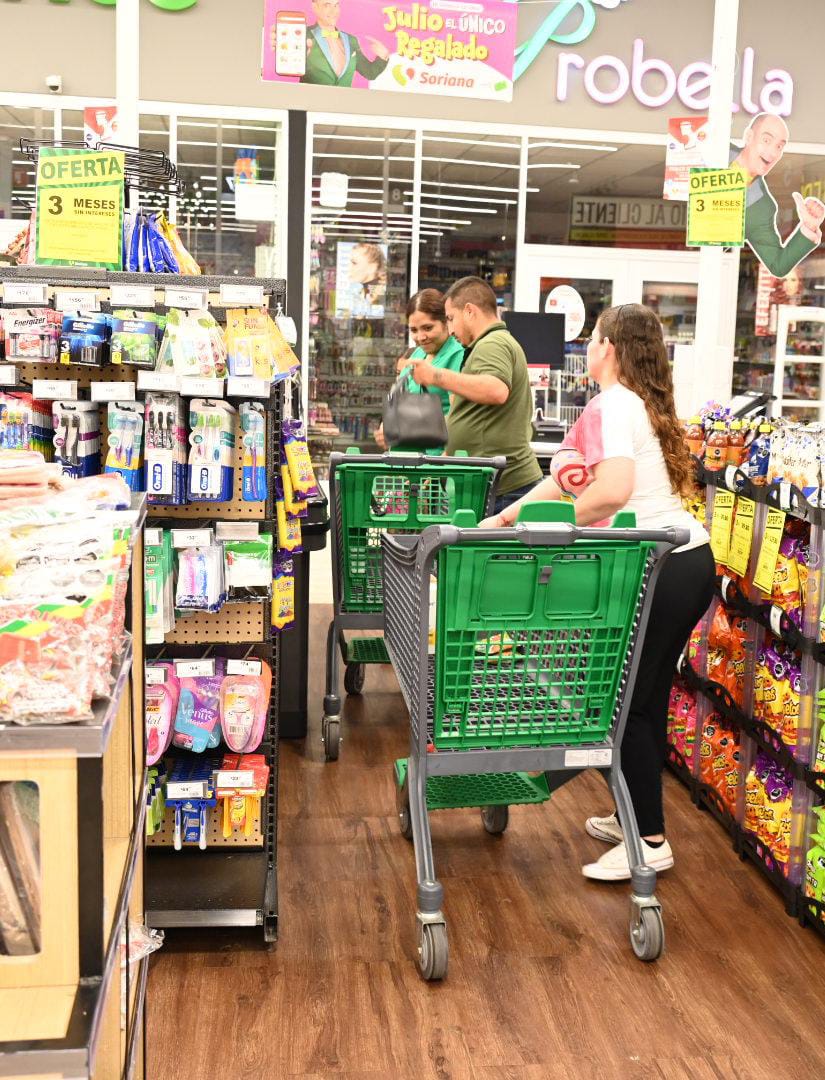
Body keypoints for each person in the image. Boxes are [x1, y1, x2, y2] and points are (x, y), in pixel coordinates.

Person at [481, 303, 715, 882]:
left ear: (608, 346)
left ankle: (649, 842)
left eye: (592, 339)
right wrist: (509, 518)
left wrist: (551, 530)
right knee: (644, 698)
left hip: (663, 567)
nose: (587, 347)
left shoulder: (614, 404)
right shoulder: (630, 404)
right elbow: (561, 482)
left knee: (625, 704)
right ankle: (632, 813)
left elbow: (610, 493)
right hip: (685, 561)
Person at [410, 276, 542, 512]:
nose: (451, 329)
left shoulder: (492, 343)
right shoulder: (488, 345)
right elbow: (476, 416)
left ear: (469, 311)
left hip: (504, 488)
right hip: (495, 486)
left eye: (451, 318)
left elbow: (495, 390)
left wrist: (435, 376)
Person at [732, 112, 825, 279]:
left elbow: (778, 265)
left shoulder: (762, 207)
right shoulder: (713, 152)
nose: (773, 153)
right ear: (749, 137)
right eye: (766, 140)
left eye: (779, 146)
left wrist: (809, 227)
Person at [375, 289, 465, 451]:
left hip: (438, 458)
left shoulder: (457, 355)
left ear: (445, 322)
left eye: (428, 328)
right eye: (414, 330)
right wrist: (388, 426)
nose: (421, 337)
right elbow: (401, 400)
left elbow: (459, 417)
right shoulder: (418, 353)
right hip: (406, 457)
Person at [301, 0, 389, 87]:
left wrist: (382, 57)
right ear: (315, 7)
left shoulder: (351, 40)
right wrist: (300, 59)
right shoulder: (303, 34)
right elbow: (293, 66)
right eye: (327, 5)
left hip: (345, 96)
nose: (333, 11)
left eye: (336, 5)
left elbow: (370, 73)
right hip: (311, 96)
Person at [347, 242, 386, 314]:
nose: (349, 268)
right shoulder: (364, 290)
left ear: (372, 267)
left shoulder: (377, 294)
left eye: (354, 263)